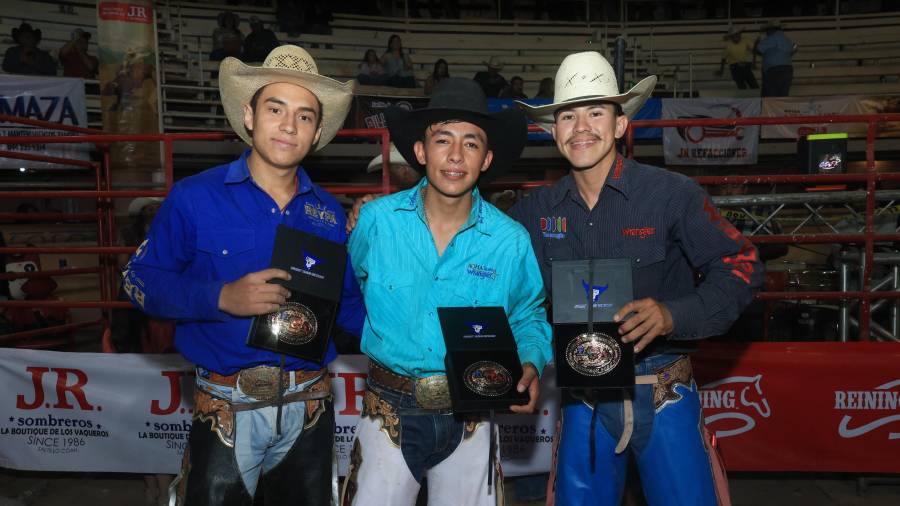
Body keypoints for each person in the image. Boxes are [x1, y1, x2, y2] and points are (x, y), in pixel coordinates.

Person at [511, 51, 763, 505]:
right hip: (582, 399)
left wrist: (674, 315)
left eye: (595, 112)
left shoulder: (672, 194)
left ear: (620, 125)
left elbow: (742, 264)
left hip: (665, 391)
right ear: (554, 131)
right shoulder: (534, 212)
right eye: (568, 115)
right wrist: (378, 206)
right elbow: (478, 244)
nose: (581, 126)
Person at [122, 45, 364, 505]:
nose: (289, 125)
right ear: (250, 116)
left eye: (305, 116)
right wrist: (220, 296)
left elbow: (349, 306)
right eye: (276, 109)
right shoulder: (194, 197)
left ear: (316, 134)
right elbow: (138, 280)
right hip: (225, 408)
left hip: (309, 407)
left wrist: (419, 346)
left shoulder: (329, 214)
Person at [340, 78, 552, 505]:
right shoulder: (376, 223)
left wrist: (529, 359)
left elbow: (528, 315)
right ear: (420, 151)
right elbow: (348, 290)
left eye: (471, 144)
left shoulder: (509, 240)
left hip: (472, 413)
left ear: (487, 158)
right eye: (443, 140)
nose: (456, 156)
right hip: (389, 411)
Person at [756, 20, 797, 97]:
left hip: (774, 70)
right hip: (787, 69)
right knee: (783, 95)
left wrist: (758, 42)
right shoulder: (787, 40)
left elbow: (759, 49)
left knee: (771, 95)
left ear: (771, 30)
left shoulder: (771, 38)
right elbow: (791, 51)